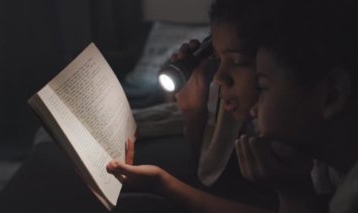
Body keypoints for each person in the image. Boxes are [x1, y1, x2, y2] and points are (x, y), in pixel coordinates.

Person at [107, 0, 279, 212]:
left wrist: (163, 183)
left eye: (238, 62)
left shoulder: (291, 135)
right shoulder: (240, 117)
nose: (220, 77)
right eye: (217, 58)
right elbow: (211, 175)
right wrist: (192, 111)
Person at [234, 0, 358, 212]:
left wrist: (293, 198)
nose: (254, 110)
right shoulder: (334, 173)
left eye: (262, 87)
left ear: (332, 95)